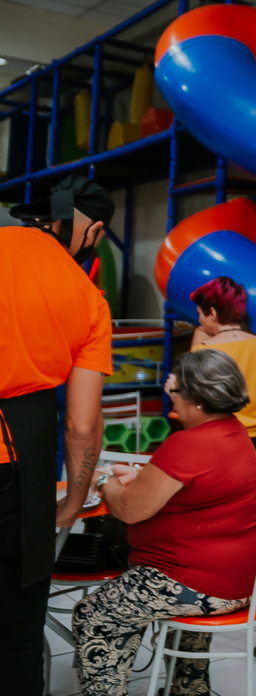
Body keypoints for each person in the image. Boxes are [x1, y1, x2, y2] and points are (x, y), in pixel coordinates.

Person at [73, 349, 256, 696]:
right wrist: (141, 476)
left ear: (196, 400)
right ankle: (190, 688)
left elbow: (128, 511)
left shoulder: (186, 444)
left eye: (176, 391)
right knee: (162, 617)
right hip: (248, 577)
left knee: (93, 615)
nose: (173, 397)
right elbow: (195, 485)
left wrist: (102, 482)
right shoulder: (235, 432)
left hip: (199, 583)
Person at [1, 174, 112, 695]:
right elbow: (82, 424)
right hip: (20, 474)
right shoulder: (87, 296)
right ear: (90, 231)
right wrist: (73, 499)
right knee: (17, 628)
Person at [189, 276, 256, 661]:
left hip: (218, 448)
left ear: (214, 313)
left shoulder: (204, 347)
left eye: (201, 314)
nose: (198, 321)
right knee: (245, 533)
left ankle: (197, 618)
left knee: (214, 537)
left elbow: (191, 402)